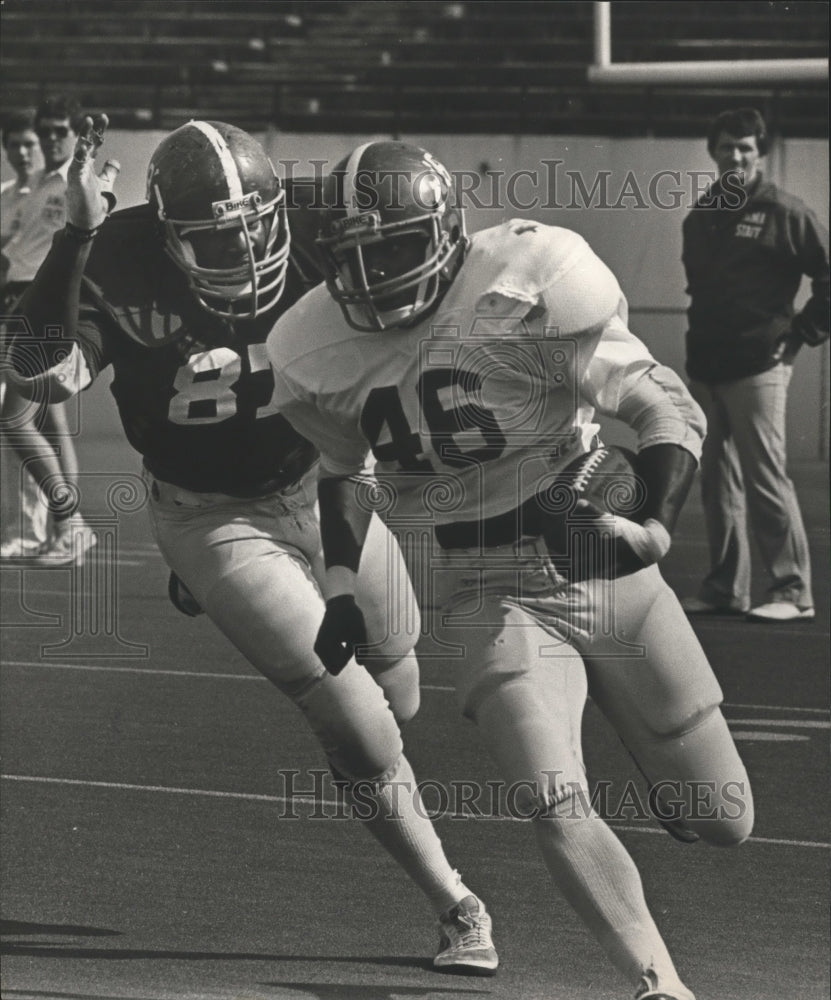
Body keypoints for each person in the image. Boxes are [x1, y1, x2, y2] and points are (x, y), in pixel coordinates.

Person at [5, 116, 497, 975]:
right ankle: (456, 903)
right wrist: (77, 233)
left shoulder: (315, 218)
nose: (242, 252)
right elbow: (38, 375)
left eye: (252, 229)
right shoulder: (117, 254)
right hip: (209, 511)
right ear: (166, 235)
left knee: (401, 684)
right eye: (212, 239)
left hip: (327, 482)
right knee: (360, 727)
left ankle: (223, 589)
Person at [266, 140, 756, 1000]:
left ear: (448, 232)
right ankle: (659, 985)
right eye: (352, 253)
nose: (371, 272)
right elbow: (347, 470)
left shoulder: (528, 278)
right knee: (551, 797)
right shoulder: (313, 345)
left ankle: (669, 782)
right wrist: (340, 584)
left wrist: (652, 523)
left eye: (391, 246)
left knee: (723, 821)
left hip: (600, 560)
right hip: (487, 588)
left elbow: (656, 399)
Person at [680, 107, 829, 623]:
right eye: (727, 146)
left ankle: (792, 591)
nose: (736, 156)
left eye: (745, 147)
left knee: (765, 479)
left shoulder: (785, 211)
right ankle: (726, 588)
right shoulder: (700, 216)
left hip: (758, 366)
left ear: (760, 152)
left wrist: (803, 335)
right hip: (708, 368)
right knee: (716, 482)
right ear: (713, 151)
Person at [1, 96, 94, 565]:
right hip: (19, 301)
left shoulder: (80, 182)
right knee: (51, 425)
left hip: (44, 306)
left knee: (14, 419)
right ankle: (67, 532)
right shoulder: (36, 184)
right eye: (48, 131)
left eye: (61, 130)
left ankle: (70, 523)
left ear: (75, 133)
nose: (53, 138)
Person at [1, 109, 48, 558]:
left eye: (28, 143)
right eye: (14, 143)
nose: (22, 151)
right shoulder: (5, 196)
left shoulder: (56, 193)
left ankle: (31, 529)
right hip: (5, 312)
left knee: (20, 421)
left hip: (36, 316)